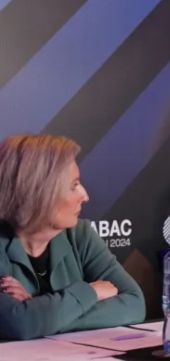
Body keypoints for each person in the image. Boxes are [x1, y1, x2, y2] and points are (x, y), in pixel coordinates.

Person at [0, 134, 145, 340]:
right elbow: (19, 324)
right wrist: (90, 292)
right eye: (74, 185)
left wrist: (39, 309)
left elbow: (134, 304)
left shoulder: (79, 234)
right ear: (39, 193)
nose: (85, 196)